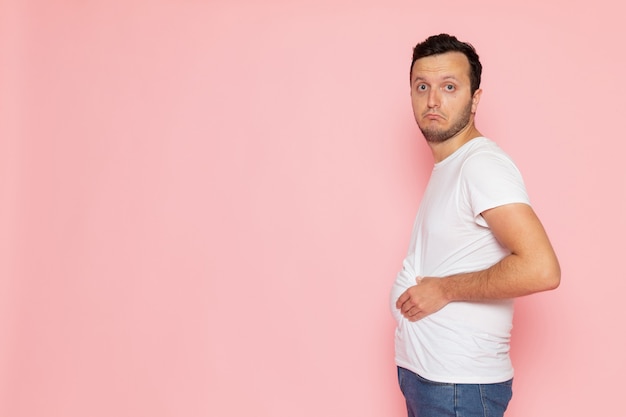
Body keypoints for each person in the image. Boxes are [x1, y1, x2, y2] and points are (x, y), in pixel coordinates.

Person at [390, 34, 561, 417]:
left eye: (449, 87)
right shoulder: (451, 166)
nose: (433, 100)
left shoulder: (481, 165)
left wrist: (445, 290)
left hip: (458, 388)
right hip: (432, 381)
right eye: (422, 87)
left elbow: (542, 269)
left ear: (475, 99)